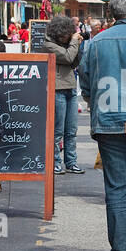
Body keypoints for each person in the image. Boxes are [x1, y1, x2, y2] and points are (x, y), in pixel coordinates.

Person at [77, 0, 126, 251]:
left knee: (118, 189)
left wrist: (94, 100)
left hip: (109, 123)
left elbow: (86, 82)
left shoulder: (96, 42)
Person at [39, 14, 84, 174]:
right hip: (57, 88)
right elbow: (67, 57)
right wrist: (74, 43)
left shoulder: (67, 44)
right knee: (57, 130)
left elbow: (75, 61)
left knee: (71, 130)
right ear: (59, 33)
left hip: (70, 87)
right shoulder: (48, 45)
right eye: (66, 34)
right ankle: (55, 162)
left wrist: (78, 45)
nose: (68, 37)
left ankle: (71, 162)